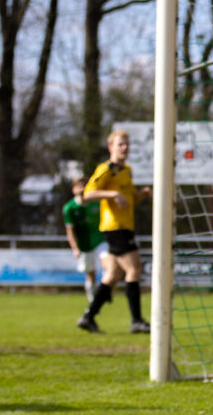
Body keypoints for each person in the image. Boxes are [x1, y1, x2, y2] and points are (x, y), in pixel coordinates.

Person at [77, 130, 151, 334]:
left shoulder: (127, 170)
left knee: (114, 274)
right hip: (115, 227)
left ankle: (88, 317)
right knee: (134, 270)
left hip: (125, 226)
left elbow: (128, 200)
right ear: (111, 148)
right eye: (120, 144)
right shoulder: (106, 169)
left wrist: (141, 195)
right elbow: (88, 193)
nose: (125, 148)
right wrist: (112, 193)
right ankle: (136, 320)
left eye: (127, 144)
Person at [62, 176, 109, 302]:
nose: (82, 188)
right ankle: (92, 301)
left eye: (84, 185)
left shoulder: (97, 202)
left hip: (100, 240)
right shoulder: (70, 208)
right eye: (78, 185)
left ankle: (105, 289)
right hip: (84, 244)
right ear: (73, 190)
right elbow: (70, 231)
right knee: (91, 274)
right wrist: (75, 248)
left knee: (108, 266)